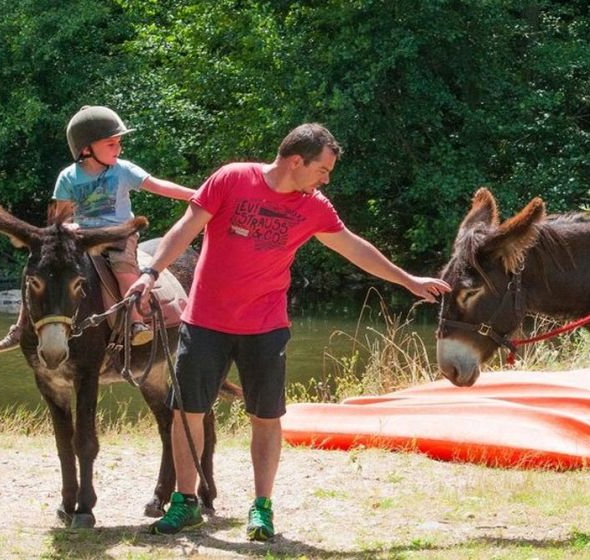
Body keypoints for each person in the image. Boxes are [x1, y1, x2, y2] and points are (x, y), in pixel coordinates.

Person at [126, 123, 451, 541]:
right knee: (187, 411)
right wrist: (151, 272)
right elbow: (185, 228)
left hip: (265, 326)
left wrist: (407, 280)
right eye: (322, 170)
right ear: (296, 161)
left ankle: (261, 508)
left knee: (266, 417)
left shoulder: (314, 207)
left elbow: (355, 248)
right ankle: (185, 502)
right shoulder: (231, 179)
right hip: (205, 320)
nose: (326, 180)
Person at [0, 106, 195, 352]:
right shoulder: (68, 177)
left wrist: (196, 195)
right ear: (86, 148)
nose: (118, 149)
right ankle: (21, 327)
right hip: (83, 239)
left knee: (123, 269)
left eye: (119, 143)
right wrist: (67, 227)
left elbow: (157, 185)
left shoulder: (123, 169)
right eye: (111, 144)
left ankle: (135, 322)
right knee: (39, 269)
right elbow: (61, 217)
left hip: (119, 236)